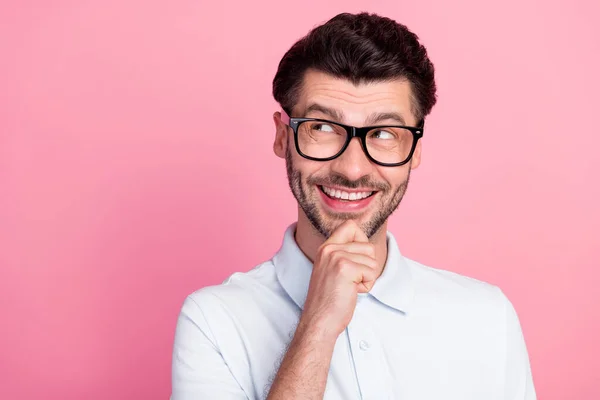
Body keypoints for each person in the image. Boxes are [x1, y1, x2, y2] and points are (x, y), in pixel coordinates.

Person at [171, 12, 536, 400]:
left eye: (383, 134)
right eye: (323, 128)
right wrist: (318, 324)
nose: (352, 169)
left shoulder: (487, 317)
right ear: (282, 137)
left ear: (414, 151)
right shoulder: (214, 321)